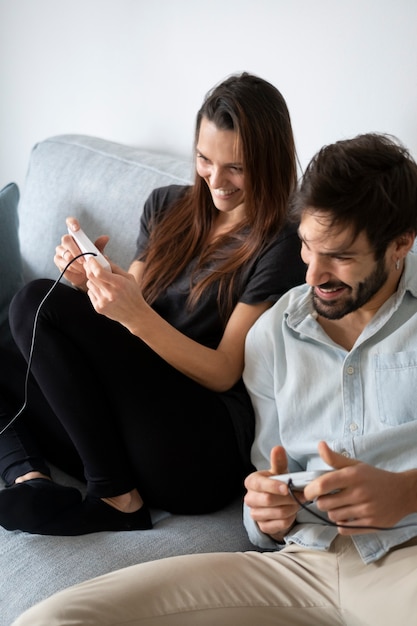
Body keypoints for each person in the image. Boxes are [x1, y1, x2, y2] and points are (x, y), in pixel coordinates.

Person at [12, 132, 417, 626]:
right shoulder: (274, 333)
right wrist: (265, 511)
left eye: (342, 256)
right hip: (299, 565)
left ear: (402, 242)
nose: (313, 274)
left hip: (405, 559)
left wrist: (406, 492)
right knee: (56, 619)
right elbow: (265, 481)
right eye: (308, 247)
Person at [0, 72, 306, 536]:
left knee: (34, 301)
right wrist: (92, 284)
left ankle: (114, 498)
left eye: (236, 167)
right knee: (12, 339)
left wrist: (133, 314)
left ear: (270, 162)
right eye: (205, 159)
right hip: (132, 428)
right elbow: (129, 308)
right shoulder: (166, 206)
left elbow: (225, 369)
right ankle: (30, 478)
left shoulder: (283, 244)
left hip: (198, 446)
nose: (216, 180)